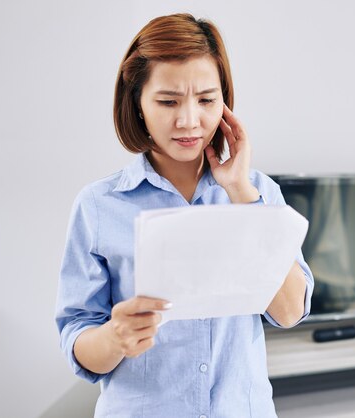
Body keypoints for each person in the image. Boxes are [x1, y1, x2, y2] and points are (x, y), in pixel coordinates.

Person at [55, 13, 314, 418]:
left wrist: (241, 193)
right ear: (137, 103)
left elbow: (289, 311)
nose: (189, 121)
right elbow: (79, 342)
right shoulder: (98, 206)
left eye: (207, 100)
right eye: (168, 101)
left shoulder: (259, 193)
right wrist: (114, 338)